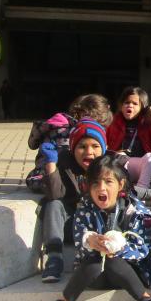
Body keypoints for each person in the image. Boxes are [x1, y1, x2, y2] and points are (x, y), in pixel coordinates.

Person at [38, 156, 151, 301]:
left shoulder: (135, 210)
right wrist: (90, 240)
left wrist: (119, 247)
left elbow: (142, 249)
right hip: (95, 275)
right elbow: (80, 242)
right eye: (95, 183)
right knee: (95, 260)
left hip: (128, 273)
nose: (101, 188)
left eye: (108, 181)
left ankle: (145, 300)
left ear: (121, 184)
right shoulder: (84, 209)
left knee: (112, 259)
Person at [37, 118, 108, 282]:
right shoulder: (64, 162)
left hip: (98, 226)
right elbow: (54, 194)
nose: (89, 152)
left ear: (103, 149)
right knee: (53, 205)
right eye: (82, 146)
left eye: (95, 146)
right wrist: (51, 164)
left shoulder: (108, 166)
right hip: (73, 224)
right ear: (73, 148)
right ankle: (54, 257)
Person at [24, 93, 112, 194]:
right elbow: (70, 162)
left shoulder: (60, 124)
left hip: (43, 170)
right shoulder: (69, 132)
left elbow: (32, 143)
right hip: (50, 173)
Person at [106, 86, 151, 200]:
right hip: (119, 165)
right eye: (126, 102)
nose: (130, 105)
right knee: (114, 156)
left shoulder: (146, 123)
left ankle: (140, 190)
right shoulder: (114, 121)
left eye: (135, 104)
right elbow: (104, 138)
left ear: (142, 108)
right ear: (121, 105)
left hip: (139, 166)